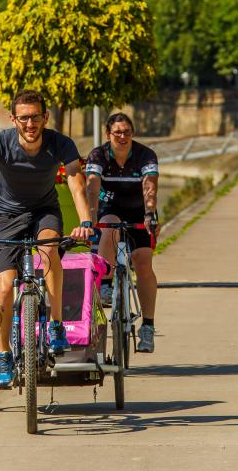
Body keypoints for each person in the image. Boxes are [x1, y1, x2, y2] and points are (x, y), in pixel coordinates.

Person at [0, 89, 94, 387]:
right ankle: (4, 353)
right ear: (13, 119)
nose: (30, 124)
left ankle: (56, 323)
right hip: (7, 217)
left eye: (35, 117)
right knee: (5, 290)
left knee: (49, 251)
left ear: (45, 117)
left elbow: (76, 183)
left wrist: (85, 221)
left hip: (45, 212)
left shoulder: (60, 143)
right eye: (23, 118)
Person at [86, 113, 160, 353]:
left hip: (138, 211)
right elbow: (93, 184)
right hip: (109, 206)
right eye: (117, 132)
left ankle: (147, 326)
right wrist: (91, 215)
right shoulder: (98, 155)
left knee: (143, 262)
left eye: (127, 131)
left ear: (133, 133)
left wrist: (150, 214)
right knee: (109, 227)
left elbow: (150, 185)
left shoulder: (145, 155)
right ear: (108, 134)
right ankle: (106, 283)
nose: (122, 136)